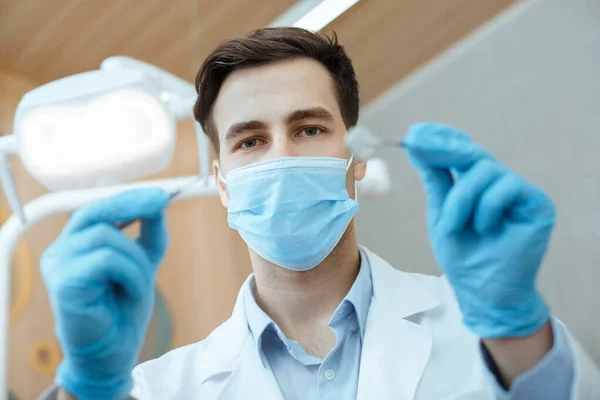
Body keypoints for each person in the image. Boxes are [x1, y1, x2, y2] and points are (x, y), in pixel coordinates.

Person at [39, 28, 599, 400]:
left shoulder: (482, 330)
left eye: (309, 129)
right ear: (222, 185)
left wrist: (517, 328)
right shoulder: (161, 387)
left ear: (355, 158)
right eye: (250, 141)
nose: (281, 157)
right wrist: (85, 386)